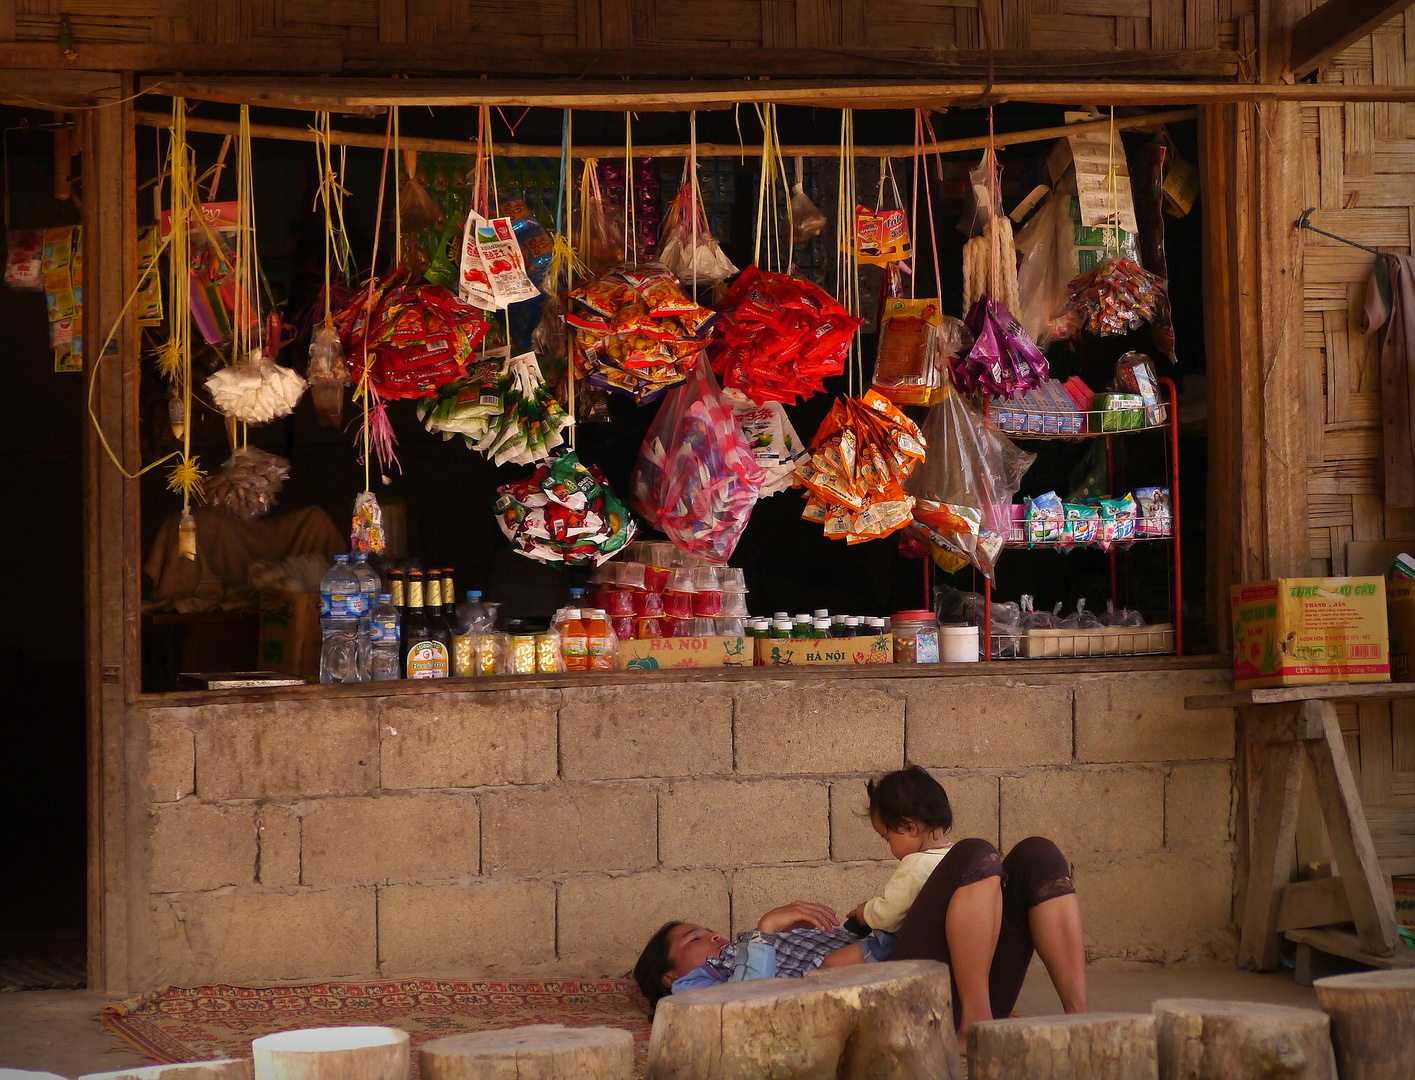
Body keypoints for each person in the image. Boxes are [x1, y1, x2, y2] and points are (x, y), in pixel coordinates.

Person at [633, 770, 1089, 1046]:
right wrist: (765, 929)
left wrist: (855, 923)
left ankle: (1081, 1020)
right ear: (671, 976)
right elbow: (744, 1006)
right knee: (973, 854)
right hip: (899, 1003)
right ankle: (973, 1025)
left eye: (707, 930)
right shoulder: (703, 985)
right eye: (695, 939)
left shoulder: (756, 948)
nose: (714, 936)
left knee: (1037, 856)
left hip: (935, 975)